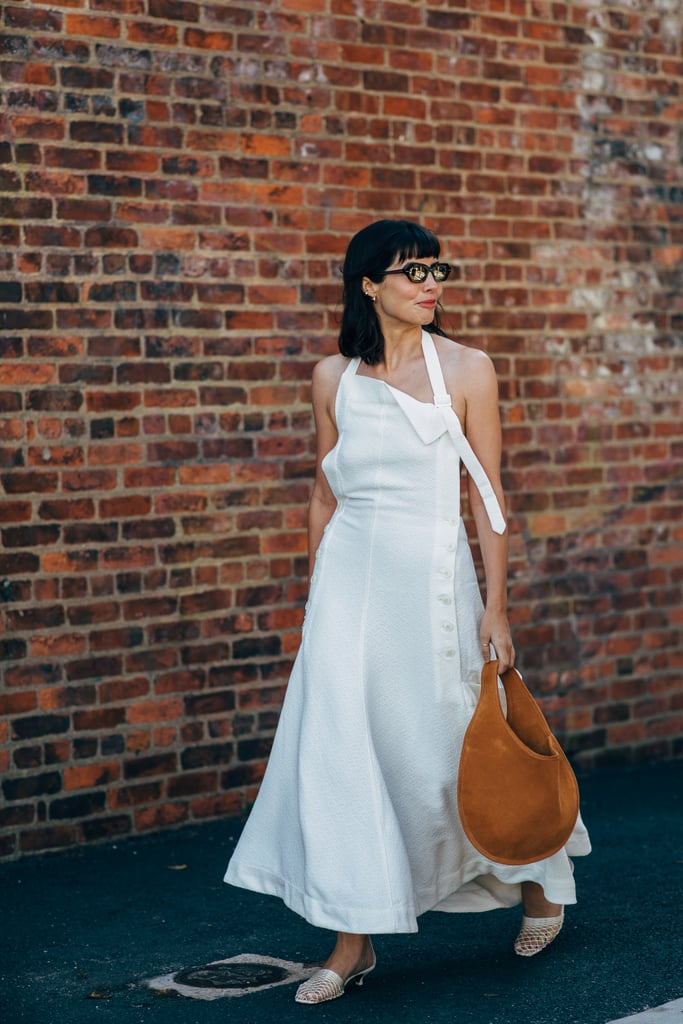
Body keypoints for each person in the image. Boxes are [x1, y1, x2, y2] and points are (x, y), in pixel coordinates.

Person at [224, 219, 591, 1004]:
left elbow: (487, 498)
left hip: (433, 584)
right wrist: (314, 590)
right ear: (367, 284)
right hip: (348, 590)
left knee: (456, 746)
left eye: (437, 270)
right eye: (412, 272)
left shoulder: (467, 367)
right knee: (344, 752)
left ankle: (537, 886)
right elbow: (324, 493)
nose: (431, 284)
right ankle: (352, 941)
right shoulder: (333, 377)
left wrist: (497, 609)